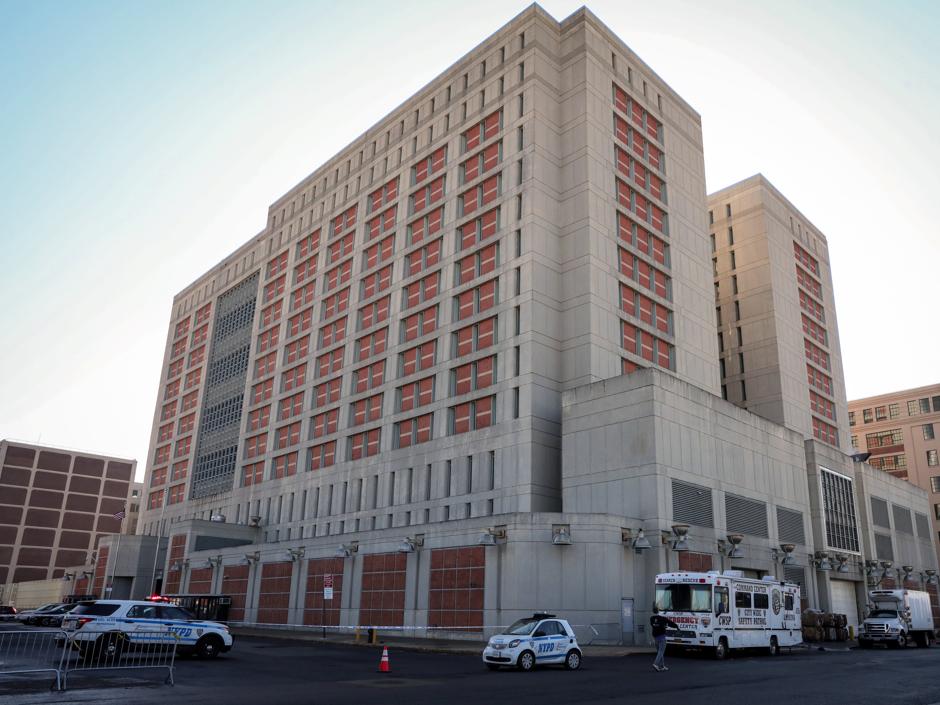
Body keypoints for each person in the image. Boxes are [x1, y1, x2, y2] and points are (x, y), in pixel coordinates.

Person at [650, 605, 678, 671]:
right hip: (662, 637)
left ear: (653, 611)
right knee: (661, 652)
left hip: (655, 637)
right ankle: (655, 664)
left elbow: (654, 625)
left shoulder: (651, 618)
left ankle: (662, 666)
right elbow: (670, 623)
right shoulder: (662, 618)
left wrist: (662, 626)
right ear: (658, 611)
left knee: (660, 652)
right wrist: (676, 626)